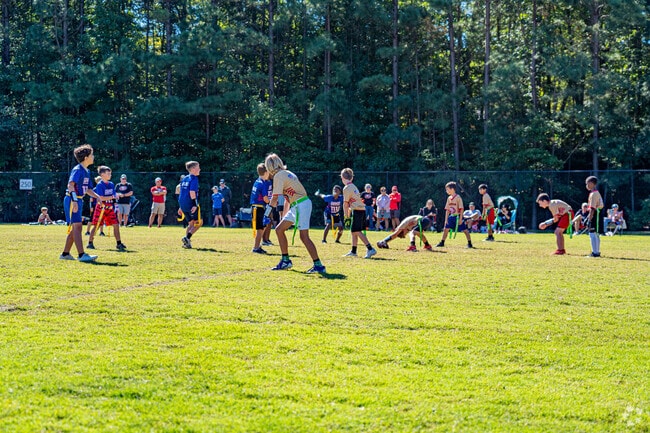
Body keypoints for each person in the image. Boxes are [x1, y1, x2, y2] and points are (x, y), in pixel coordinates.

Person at [265, 153, 325, 273]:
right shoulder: (287, 173)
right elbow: (288, 197)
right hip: (298, 204)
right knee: (279, 229)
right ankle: (285, 260)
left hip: (300, 205)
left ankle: (318, 265)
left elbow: (275, 197)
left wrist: (266, 213)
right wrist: (284, 215)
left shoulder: (278, 176)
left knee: (304, 237)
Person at [59, 144, 102, 262]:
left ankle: (65, 254)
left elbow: (88, 189)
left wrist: (97, 196)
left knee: (75, 228)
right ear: (86, 157)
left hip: (79, 199)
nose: (93, 157)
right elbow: (70, 185)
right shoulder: (77, 170)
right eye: (92, 154)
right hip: (72, 200)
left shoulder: (87, 171)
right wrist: (74, 200)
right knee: (77, 227)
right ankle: (82, 255)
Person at [87, 166, 127, 251]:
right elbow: (101, 198)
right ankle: (90, 243)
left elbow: (113, 194)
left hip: (110, 208)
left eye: (110, 173)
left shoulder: (111, 184)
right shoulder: (100, 185)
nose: (110, 175)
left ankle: (119, 243)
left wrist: (117, 196)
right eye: (108, 173)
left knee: (116, 225)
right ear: (102, 175)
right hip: (101, 208)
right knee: (96, 225)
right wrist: (113, 196)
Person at [341, 168, 378, 259]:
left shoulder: (346, 188)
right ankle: (353, 251)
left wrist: (346, 216)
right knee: (354, 231)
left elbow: (345, 203)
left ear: (342, 178)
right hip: (361, 210)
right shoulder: (353, 186)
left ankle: (370, 248)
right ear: (351, 178)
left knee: (357, 231)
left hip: (357, 211)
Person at [436, 181, 473, 249]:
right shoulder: (449, 198)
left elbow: (461, 209)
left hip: (458, 217)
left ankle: (469, 243)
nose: (446, 191)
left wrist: (461, 219)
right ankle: (442, 242)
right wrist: (446, 220)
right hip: (451, 217)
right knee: (446, 229)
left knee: (465, 230)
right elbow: (447, 210)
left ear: (452, 189)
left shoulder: (458, 197)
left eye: (447, 189)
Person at [178, 161, 203, 249]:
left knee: (191, 223)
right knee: (199, 223)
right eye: (198, 167)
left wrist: (180, 206)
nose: (200, 169)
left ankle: (186, 244)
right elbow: (192, 193)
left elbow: (181, 192)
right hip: (190, 203)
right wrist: (195, 205)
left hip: (183, 203)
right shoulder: (194, 179)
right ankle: (187, 238)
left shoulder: (184, 178)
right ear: (193, 169)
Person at [250, 163, 271, 254]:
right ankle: (255, 248)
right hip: (258, 207)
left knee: (263, 226)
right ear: (266, 172)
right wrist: (271, 202)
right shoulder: (262, 184)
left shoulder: (257, 181)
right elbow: (265, 198)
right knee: (260, 228)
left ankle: (258, 246)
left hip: (257, 207)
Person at [585, 176, 604, 257]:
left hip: (595, 214)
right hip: (597, 214)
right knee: (595, 233)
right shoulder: (595, 193)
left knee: (592, 233)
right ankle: (596, 251)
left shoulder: (594, 194)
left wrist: (589, 218)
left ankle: (595, 252)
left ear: (592, 184)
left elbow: (592, 208)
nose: (587, 185)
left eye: (588, 183)